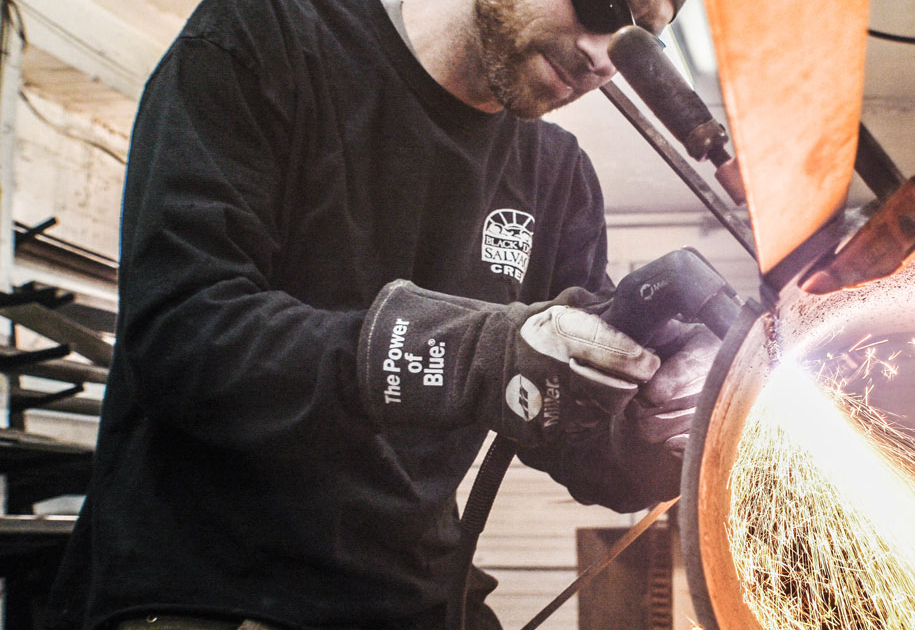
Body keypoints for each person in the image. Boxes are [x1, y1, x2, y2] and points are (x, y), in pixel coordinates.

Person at [42, 0, 719, 627]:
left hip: (410, 596)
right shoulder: (266, 38)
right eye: (603, 4)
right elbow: (184, 335)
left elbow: (568, 427)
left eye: (639, 42)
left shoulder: (557, 174)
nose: (604, 57)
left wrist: (653, 428)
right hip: (207, 584)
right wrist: (472, 355)